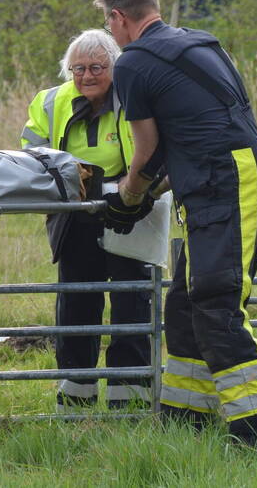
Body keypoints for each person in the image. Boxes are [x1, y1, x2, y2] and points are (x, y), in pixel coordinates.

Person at [94, 0, 257, 448]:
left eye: (107, 20)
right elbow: (182, 138)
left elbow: (146, 151)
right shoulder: (199, 43)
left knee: (219, 303)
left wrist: (129, 195)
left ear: (118, 17)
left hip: (224, 179)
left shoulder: (134, 63)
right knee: (183, 305)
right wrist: (158, 183)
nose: (109, 30)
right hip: (223, 175)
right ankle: (186, 424)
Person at [21, 29, 153, 412]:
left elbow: (155, 147)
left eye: (97, 67)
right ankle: (74, 395)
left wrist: (131, 191)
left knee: (132, 299)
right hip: (74, 212)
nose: (86, 75)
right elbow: (31, 155)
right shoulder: (50, 102)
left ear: (115, 66)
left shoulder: (134, 94)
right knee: (76, 300)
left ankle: (129, 399)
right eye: (78, 68)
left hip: (132, 208)